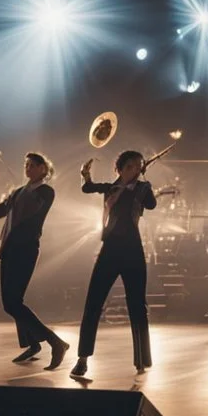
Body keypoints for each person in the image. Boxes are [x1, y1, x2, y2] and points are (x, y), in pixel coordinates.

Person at [71, 150, 158, 379]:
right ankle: (82, 359)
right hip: (109, 251)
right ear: (119, 169)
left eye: (138, 166)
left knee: (137, 306)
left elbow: (151, 204)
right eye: (130, 166)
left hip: (133, 251)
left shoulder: (142, 188)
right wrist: (85, 174)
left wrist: (142, 182)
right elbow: (87, 188)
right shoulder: (110, 188)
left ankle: (142, 359)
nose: (135, 170)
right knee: (93, 303)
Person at [0, 152, 70, 370]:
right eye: (26, 165)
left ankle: (55, 342)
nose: (28, 168)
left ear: (43, 168)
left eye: (33, 165)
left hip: (25, 249)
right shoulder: (19, 192)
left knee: (13, 302)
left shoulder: (45, 191)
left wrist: (16, 198)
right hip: (9, 249)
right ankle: (33, 344)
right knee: (11, 302)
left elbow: (31, 212)